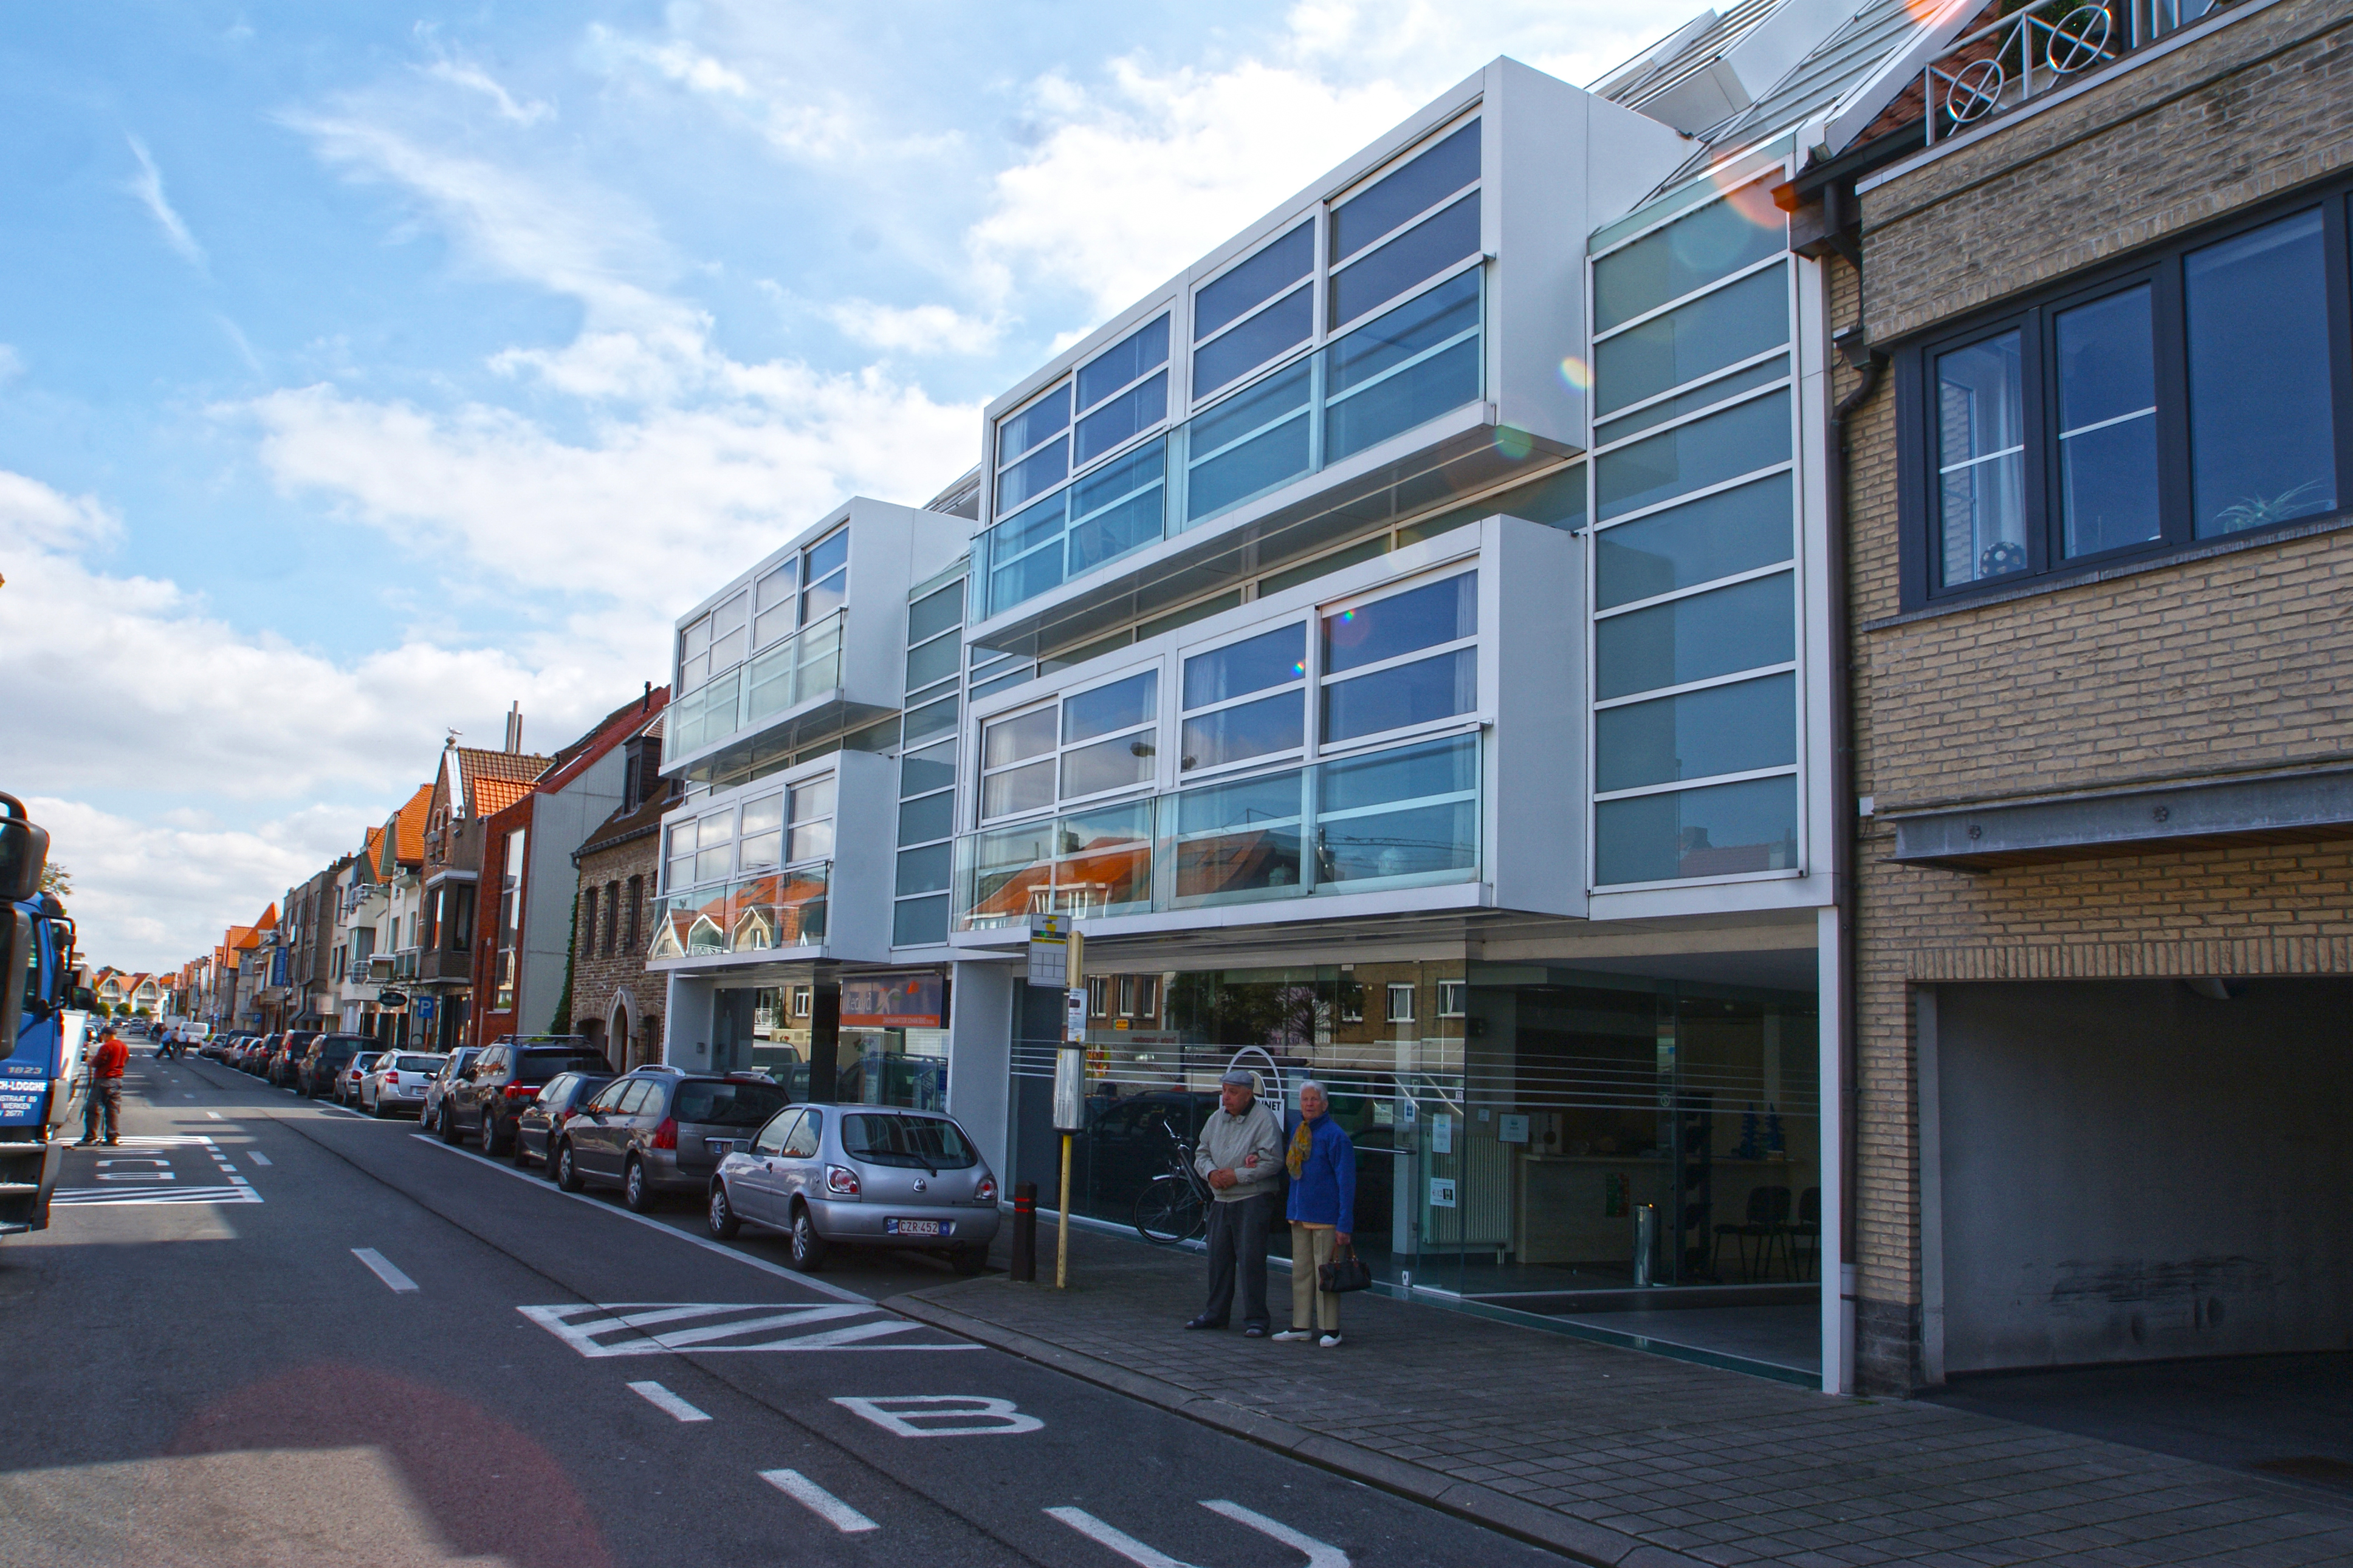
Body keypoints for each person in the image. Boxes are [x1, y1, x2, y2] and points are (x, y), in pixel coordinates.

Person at [1184, 1068, 1283, 1337]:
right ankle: (1216, 1314)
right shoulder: (1217, 1119)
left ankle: (1257, 1319)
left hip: (1252, 1199)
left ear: (1249, 1095)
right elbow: (1201, 1152)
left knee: (1251, 1259)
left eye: (1233, 1093)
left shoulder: (1264, 1119)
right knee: (1218, 1259)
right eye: (1224, 1091)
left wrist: (1236, 1175)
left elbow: (1273, 1161)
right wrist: (1211, 1173)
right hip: (1220, 1199)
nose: (1226, 1097)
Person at [1275, 1080, 1356, 1348]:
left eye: (1314, 1099)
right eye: (1304, 1100)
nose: (1308, 1104)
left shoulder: (1336, 1136)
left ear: (1325, 1104)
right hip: (1299, 1215)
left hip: (1326, 1218)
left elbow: (1347, 1182)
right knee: (1301, 1272)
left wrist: (1345, 1223)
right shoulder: (1300, 1131)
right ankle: (1300, 1325)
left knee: (1327, 1274)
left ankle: (1331, 1329)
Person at [78, 1025, 128, 1146]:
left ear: (106, 1035)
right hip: (117, 1080)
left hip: (104, 1080)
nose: (102, 1038)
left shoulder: (107, 1046)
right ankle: (113, 1137)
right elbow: (125, 1060)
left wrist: (91, 1062)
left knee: (94, 1108)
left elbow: (98, 1062)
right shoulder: (123, 1046)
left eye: (103, 1036)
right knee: (113, 1110)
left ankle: (90, 1137)